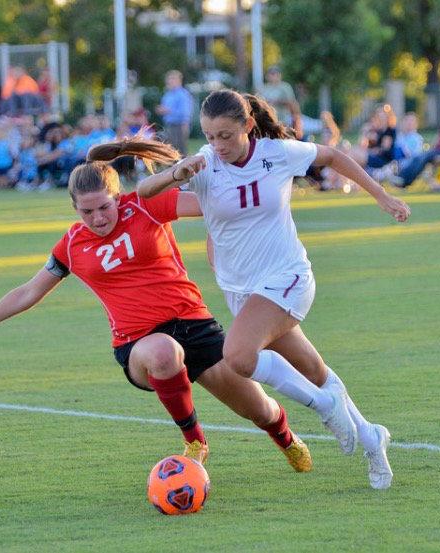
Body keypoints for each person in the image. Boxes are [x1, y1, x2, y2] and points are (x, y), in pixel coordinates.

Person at [0, 137, 361, 472]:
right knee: (162, 352)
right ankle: (195, 440)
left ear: (117, 197)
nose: (98, 218)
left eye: (104, 207)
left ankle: (286, 440)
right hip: (138, 344)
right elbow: (28, 292)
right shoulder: (71, 244)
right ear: (74, 209)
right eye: (87, 212)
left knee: (263, 411)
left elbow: (221, 208)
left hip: (196, 327)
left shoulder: (147, 206)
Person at [137, 90, 412, 489]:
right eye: (210, 136)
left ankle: (325, 407)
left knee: (238, 356)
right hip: (243, 292)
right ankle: (372, 438)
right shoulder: (204, 164)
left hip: (288, 277)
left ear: (249, 126)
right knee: (314, 370)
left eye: (226, 135)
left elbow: (333, 157)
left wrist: (382, 196)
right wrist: (177, 172)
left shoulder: (277, 153)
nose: (218, 145)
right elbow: (146, 192)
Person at [256, 65, 303, 139]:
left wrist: (277, 101)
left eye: (275, 74)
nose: (273, 76)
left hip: (283, 120)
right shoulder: (264, 88)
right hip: (268, 121)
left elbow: (292, 103)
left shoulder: (285, 87)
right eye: (271, 74)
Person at [155, 70, 194, 155]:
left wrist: (185, 125)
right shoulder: (167, 95)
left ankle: (183, 168)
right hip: (169, 125)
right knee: (170, 149)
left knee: (180, 150)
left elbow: (185, 112)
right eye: (168, 79)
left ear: (179, 80)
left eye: (172, 79)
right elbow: (164, 108)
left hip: (179, 126)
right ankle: (173, 168)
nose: (169, 81)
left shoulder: (183, 94)